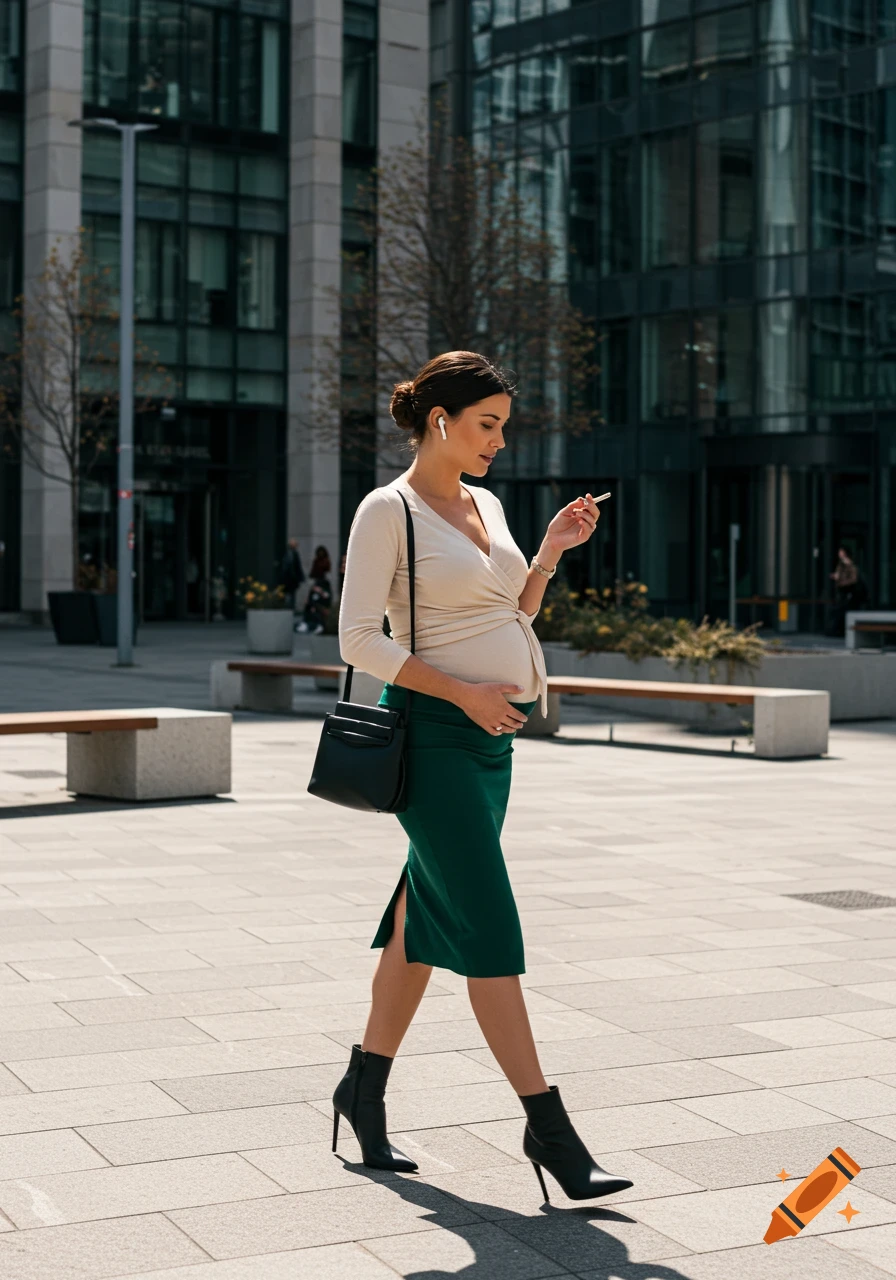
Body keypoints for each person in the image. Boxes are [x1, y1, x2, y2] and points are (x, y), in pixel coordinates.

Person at [333, 350, 632, 1203]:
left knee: (423, 919)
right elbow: (358, 641)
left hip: (491, 748)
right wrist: (462, 692)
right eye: (487, 425)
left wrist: (546, 554)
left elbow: (510, 613)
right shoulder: (386, 510)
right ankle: (551, 1130)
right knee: (488, 925)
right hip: (432, 739)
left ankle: (361, 1090)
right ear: (441, 421)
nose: (500, 442)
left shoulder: (487, 503)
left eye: (503, 426)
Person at [295, 546, 333, 635]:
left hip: (322, 587)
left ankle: (318, 625)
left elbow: (327, 596)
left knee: (316, 606)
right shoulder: (316, 562)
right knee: (311, 603)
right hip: (317, 583)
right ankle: (307, 623)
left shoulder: (325, 563)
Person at [828, 547, 864, 637]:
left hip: (847, 592)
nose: (839, 553)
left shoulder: (850, 564)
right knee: (838, 611)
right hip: (841, 592)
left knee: (841, 611)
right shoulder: (841, 564)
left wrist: (841, 580)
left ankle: (839, 631)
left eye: (841, 552)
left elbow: (853, 579)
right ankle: (835, 630)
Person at [279, 537, 305, 613]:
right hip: (290, 579)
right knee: (290, 594)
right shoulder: (291, 554)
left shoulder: (292, 553)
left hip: (290, 579)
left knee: (291, 594)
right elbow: (293, 567)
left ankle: (290, 607)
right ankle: (289, 608)